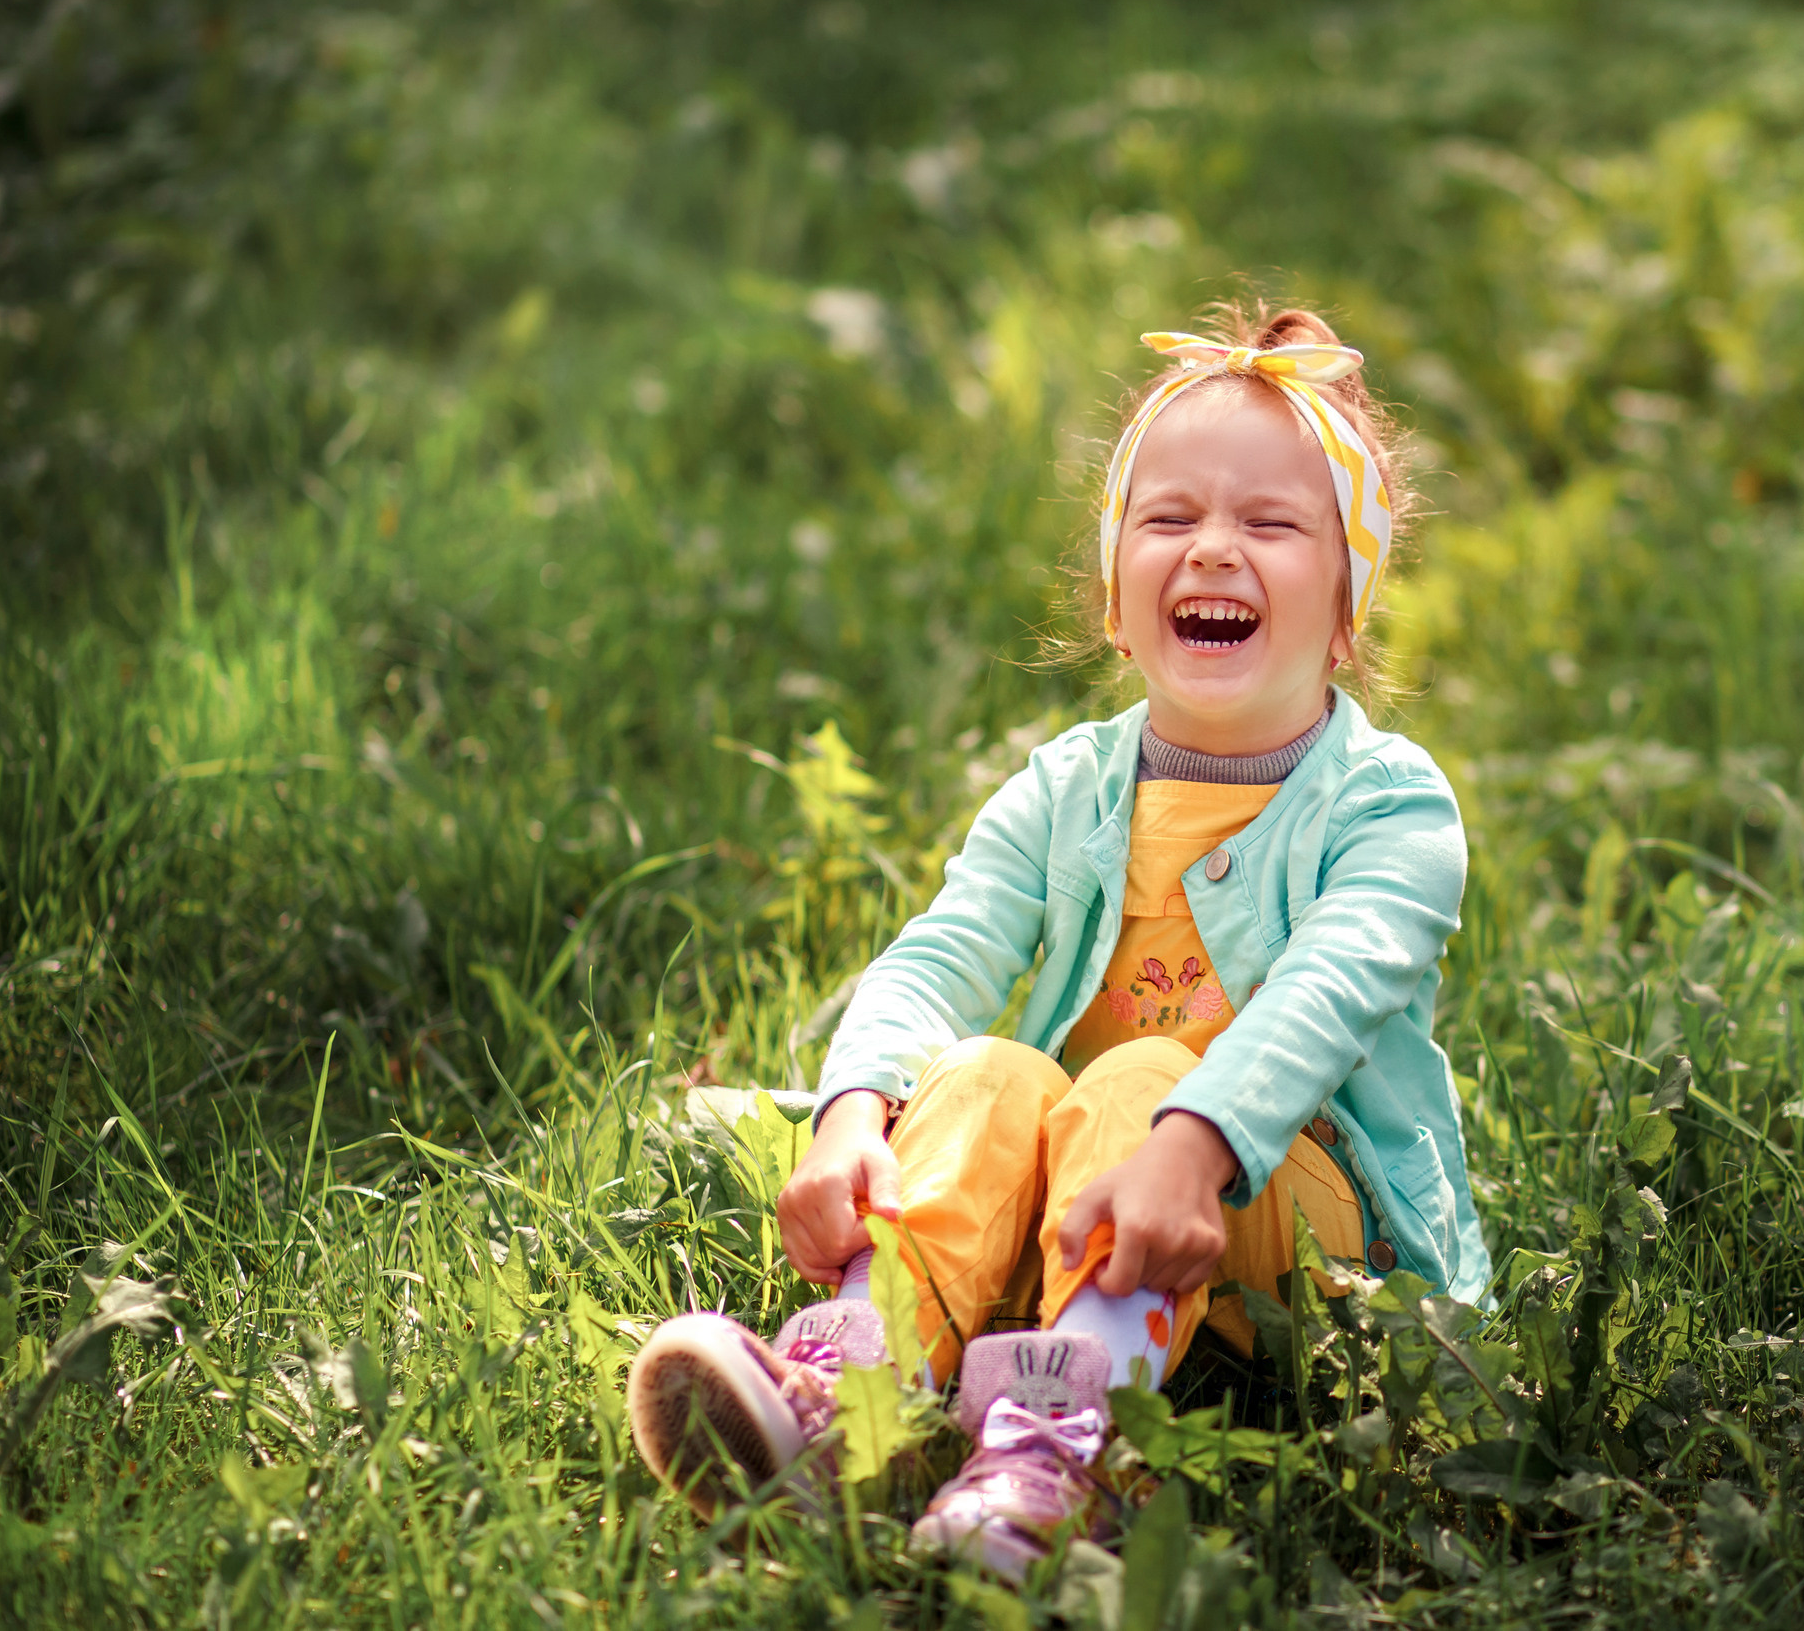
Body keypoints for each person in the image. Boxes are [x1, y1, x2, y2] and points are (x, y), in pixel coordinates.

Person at [625, 302, 1488, 1577]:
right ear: (1112, 596)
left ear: (1348, 599)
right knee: (983, 1074)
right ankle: (848, 1390)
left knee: (1145, 1079)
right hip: (1091, 1214)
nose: (1211, 549)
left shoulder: (1391, 807)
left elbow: (1319, 996)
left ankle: (1055, 1452)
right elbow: (939, 955)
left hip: (1300, 1232)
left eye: (1268, 524)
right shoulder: (1065, 789)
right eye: (1169, 517)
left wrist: (1191, 1152)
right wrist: (855, 1112)